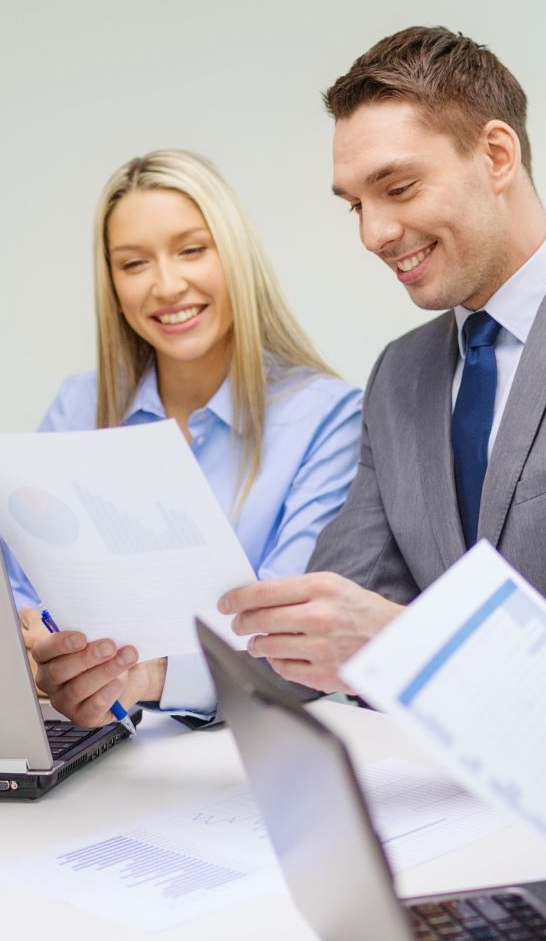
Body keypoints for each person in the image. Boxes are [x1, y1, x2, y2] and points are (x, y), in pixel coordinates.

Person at [36, 26, 546, 730]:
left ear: (497, 155)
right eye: (357, 204)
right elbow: (319, 634)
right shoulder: (402, 374)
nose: (374, 233)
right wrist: (148, 677)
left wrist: (413, 639)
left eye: (399, 187)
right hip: (461, 780)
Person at [18, 150, 361, 726]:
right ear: (113, 286)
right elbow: (21, 590)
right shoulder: (76, 407)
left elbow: (287, 633)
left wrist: (147, 675)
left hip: (243, 742)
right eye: (134, 263)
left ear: (236, 258)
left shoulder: (328, 419)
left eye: (192, 250)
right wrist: (38, 649)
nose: (167, 285)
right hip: (87, 740)